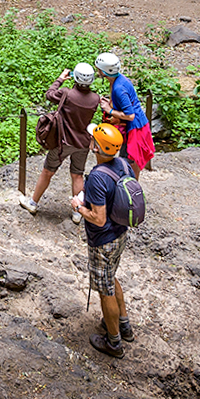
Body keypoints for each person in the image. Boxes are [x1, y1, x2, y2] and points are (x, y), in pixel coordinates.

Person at [73, 122, 136, 357]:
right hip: (120, 233)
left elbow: (97, 219)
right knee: (111, 278)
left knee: (105, 289)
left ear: (97, 148)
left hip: (103, 240)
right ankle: (124, 324)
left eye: (93, 140)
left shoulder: (97, 178)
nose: (90, 141)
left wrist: (79, 207)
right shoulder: (123, 164)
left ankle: (114, 342)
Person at [20, 62, 101, 224]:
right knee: (77, 174)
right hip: (83, 143)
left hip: (62, 142)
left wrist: (60, 79)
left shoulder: (67, 94)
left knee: (48, 171)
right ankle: (78, 212)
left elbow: (49, 94)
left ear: (75, 78)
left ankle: (33, 203)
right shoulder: (95, 99)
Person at [96, 52, 154, 174]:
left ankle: (131, 188)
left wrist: (109, 110)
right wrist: (111, 103)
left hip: (135, 127)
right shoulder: (118, 79)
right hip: (134, 124)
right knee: (126, 159)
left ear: (104, 71)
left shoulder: (119, 88)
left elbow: (130, 115)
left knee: (129, 161)